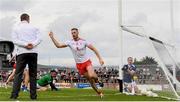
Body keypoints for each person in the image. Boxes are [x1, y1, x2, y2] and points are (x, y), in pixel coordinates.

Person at [49, 28, 104, 98]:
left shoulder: (84, 41)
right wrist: (52, 37)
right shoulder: (70, 42)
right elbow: (58, 45)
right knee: (90, 81)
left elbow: (94, 49)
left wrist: (100, 59)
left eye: (74, 32)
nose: (73, 34)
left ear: (78, 33)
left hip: (87, 62)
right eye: (72, 33)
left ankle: (98, 80)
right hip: (79, 65)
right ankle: (99, 93)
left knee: (91, 75)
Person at [10, 13, 42, 100]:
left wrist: (25, 44)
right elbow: (40, 38)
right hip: (33, 51)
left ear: (21, 19)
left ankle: (14, 95)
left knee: (18, 74)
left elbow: (15, 40)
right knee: (33, 75)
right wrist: (32, 44)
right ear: (28, 19)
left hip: (22, 52)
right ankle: (33, 96)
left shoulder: (16, 28)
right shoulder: (35, 27)